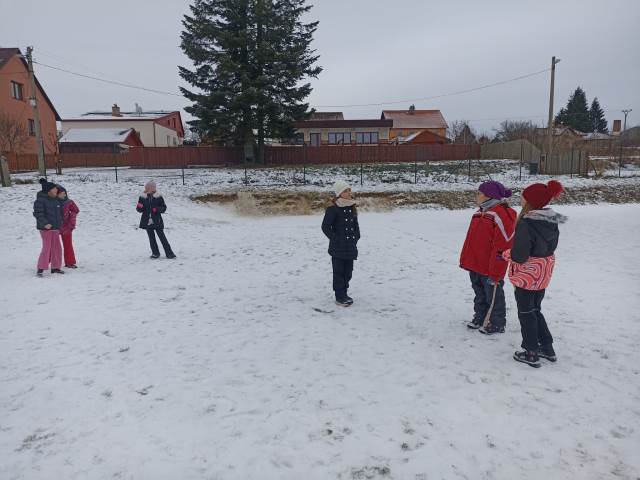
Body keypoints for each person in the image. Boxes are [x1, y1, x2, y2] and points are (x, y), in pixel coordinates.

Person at [504, 180, 564, 368]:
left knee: (526, 313)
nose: (521, 199)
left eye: (523, 197)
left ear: (531, 201)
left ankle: (531, 352)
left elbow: (520, 256)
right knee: (535, 310)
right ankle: (547, 347)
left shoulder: (526, 223)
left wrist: (506, 254)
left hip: (527, 277)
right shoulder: (552, 220)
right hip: (542, 275)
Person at [459, 181, 517, 334]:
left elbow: (503, 245)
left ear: (489, 195)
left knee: (493, 296)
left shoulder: (502, 215)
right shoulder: (479, 213)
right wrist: (466, 260)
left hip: (490, 267)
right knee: (479, 293)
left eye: (479, 193)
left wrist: (496, 271)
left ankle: (496, 323)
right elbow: (471, 240)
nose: (476, 195)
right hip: (475, 264)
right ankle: (480, 316)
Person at [321, 181, 360, 307]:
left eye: (349, 190)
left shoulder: (352, 206)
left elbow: (355, 225)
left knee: (348, 272)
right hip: (338, 248)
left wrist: (356, 237)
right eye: (345, 191)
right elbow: (325, 227)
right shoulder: (333, 209)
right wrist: (336, 239)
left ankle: (345, 293)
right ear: (339, 193)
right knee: (339, 273)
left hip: (350, 246)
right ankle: (340, 296)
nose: (348, 193)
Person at [136, 181, 176, 259]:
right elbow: (139, 209)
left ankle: (169, 253)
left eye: (148, 187)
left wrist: (157, 209)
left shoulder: (158, 197)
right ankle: (155, 253)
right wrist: (139, 207)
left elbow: (164, 208)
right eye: (146, 187)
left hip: (157, 221)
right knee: (151, 238)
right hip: (147, 221)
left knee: (162, 237)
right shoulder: (142, 197)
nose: (146, 189)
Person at [33, 178, 64, 277]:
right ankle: (41, 268)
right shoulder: (40, 201)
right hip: (45, 228)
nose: (56, 190)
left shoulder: (56, 200)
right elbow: (38, 214)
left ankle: (55, 267)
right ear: (48, 190)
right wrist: (45, 223)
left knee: (57, 248)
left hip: (55, 228)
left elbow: (59, 212)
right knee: (47, 248)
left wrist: (61, 222)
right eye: (54, 189)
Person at [57, 185, 80, 268]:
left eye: (65, 193)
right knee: (53, 246)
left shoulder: (69, 202)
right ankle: (48, 263)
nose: (64, 195)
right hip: (55, 227)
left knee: (68, 245)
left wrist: (71, 220)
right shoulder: (52, 202)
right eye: (61, 193)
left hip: (66, 227)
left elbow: (76, 210)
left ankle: (70, 262)